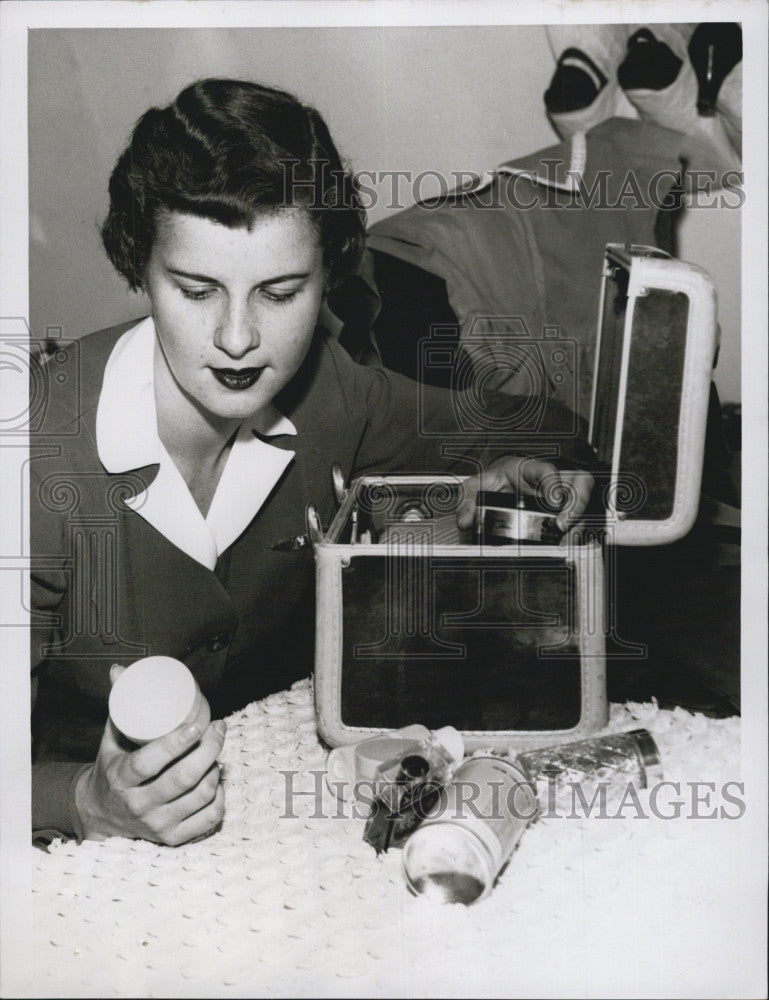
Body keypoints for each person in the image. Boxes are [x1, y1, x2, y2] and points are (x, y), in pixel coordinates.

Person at [30, 78, 593, 848]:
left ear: (329, 276)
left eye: (280, 291)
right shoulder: (32, 464)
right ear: (138, 269)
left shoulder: (331, 392)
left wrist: (522, 464)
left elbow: (515, 426)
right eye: (196, 290)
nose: (236, 338)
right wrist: (84, 801)